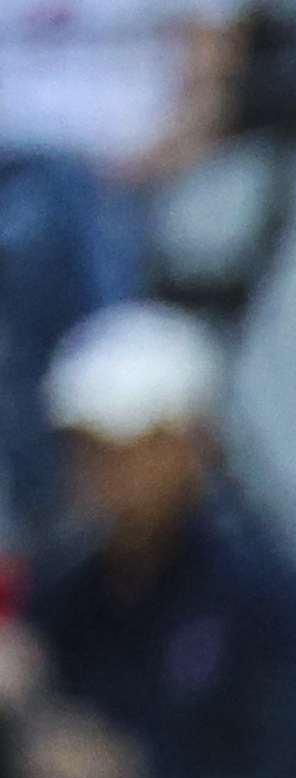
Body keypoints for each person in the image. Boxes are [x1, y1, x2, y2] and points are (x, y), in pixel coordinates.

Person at [1, 301, 296, 778]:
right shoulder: (69, 589)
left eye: (134, 447)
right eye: (88, 449)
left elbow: (294, 775)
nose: (109, 474)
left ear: (192, 446)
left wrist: (136, 777)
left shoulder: (253, 592)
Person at [0, 0, 220, 546]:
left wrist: (150, 159)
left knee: (46, 219)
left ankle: (71, 527)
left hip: (105, 177)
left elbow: (209, 63)